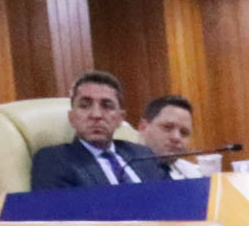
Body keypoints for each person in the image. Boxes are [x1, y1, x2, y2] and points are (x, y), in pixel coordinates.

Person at [29, 70, 166, 187]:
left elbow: (167, 196)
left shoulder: (141, 154)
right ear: (72, 118)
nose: (96, 115)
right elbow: (56, 209)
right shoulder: (54, 160)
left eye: (106, 106)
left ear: (120, 118)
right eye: (85, 105)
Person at [136, 94, 206, 177]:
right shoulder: (124, 171)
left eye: (184, 132)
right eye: (167, 127)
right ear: (143, 127)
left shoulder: (195, 174)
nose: (176, 137)